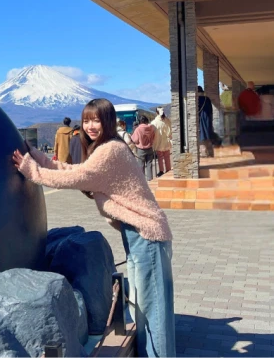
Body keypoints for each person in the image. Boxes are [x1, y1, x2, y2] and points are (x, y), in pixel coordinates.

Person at [12, 98, 175, 358]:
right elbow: (72, 169)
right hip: (140, 234)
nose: (90, 126)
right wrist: (38, 157)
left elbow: (76, 178)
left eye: (96, 120)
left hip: (146, 235)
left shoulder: (110, 151)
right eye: (86, 120)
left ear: (107, 121)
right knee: (144, 307)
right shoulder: (108, 147)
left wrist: (32, 171)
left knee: (153, 311)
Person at [132, 115, 155, 181]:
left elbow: (135, 140)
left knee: (141, 165)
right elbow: (153, 137)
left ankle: (143, 181)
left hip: (141, 150)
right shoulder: (151, 128)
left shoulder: (138, 129)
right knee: (149, 165)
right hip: (150, 148)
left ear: (140, 121)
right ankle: (150, 179)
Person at [151, 107, 172, 177]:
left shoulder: (154, 122)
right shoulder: (167, 121)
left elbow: (152, 133)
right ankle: (168, 169)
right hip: (166, 142)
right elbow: (170, 130)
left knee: (160, 157)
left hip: (158, 142)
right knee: (167, 156)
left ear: (156, 113)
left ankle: (161, 170)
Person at [197, 86, 215, 157]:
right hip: (207, 120)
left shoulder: (197, 100)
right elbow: (210, 111)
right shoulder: (207, 99)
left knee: (202, 139)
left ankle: (204, 154)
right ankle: (211, 153)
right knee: (208, 136)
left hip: (200, 120)